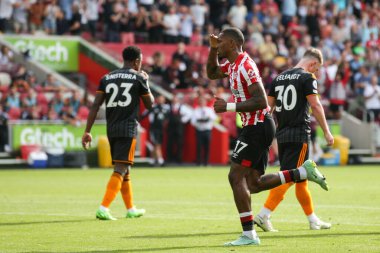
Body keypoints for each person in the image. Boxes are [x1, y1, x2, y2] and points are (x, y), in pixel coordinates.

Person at [206, 27, 329, 246]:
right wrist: (213, 49)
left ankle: (249, 234)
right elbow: (211, 73)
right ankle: (301, 171)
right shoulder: (231, 65)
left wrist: (229, 106)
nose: (219, 43)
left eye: (222, 42)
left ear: (233, 44)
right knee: (253, 184)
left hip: (257, 125)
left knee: (235, 177)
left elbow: (262, 101)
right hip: (257, 126)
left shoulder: (245, 65)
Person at [254, 48, 335, 233]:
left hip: (282, 135)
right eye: (316, 69)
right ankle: (263, 214)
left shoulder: (278, 78)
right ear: (313, 63)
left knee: (301, 179)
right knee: (289, 178)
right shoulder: (307, 78)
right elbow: (315, 104)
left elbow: (268, 109)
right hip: (299, 134)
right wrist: (327, 132)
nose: (315, 73)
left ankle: (313, 220)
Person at [82, 46, 154, 220]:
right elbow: (150, 104)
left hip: (112, 128)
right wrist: (147, 82)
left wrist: (87, 131)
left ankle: (131, 209)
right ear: (137, 61)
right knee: (121, 168)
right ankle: (103, 207)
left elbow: (95, 105)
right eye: (141, 61)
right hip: (128, 128)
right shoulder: (138, 78)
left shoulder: (106, 78)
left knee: (125, 169)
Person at [191, 97, 217, 166]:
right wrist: (199, 121)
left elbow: (214, 118)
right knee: (199, 147)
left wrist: (208, 118)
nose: (202, 103)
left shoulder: (209, 110)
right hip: (199, 130)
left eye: (203, 102)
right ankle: (198, 163)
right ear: (199, 103)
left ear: (205, 102)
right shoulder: (196, 110)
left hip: (207, 130)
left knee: (207, 147)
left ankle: (206, 162)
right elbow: (193, 122)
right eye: (200, 102)